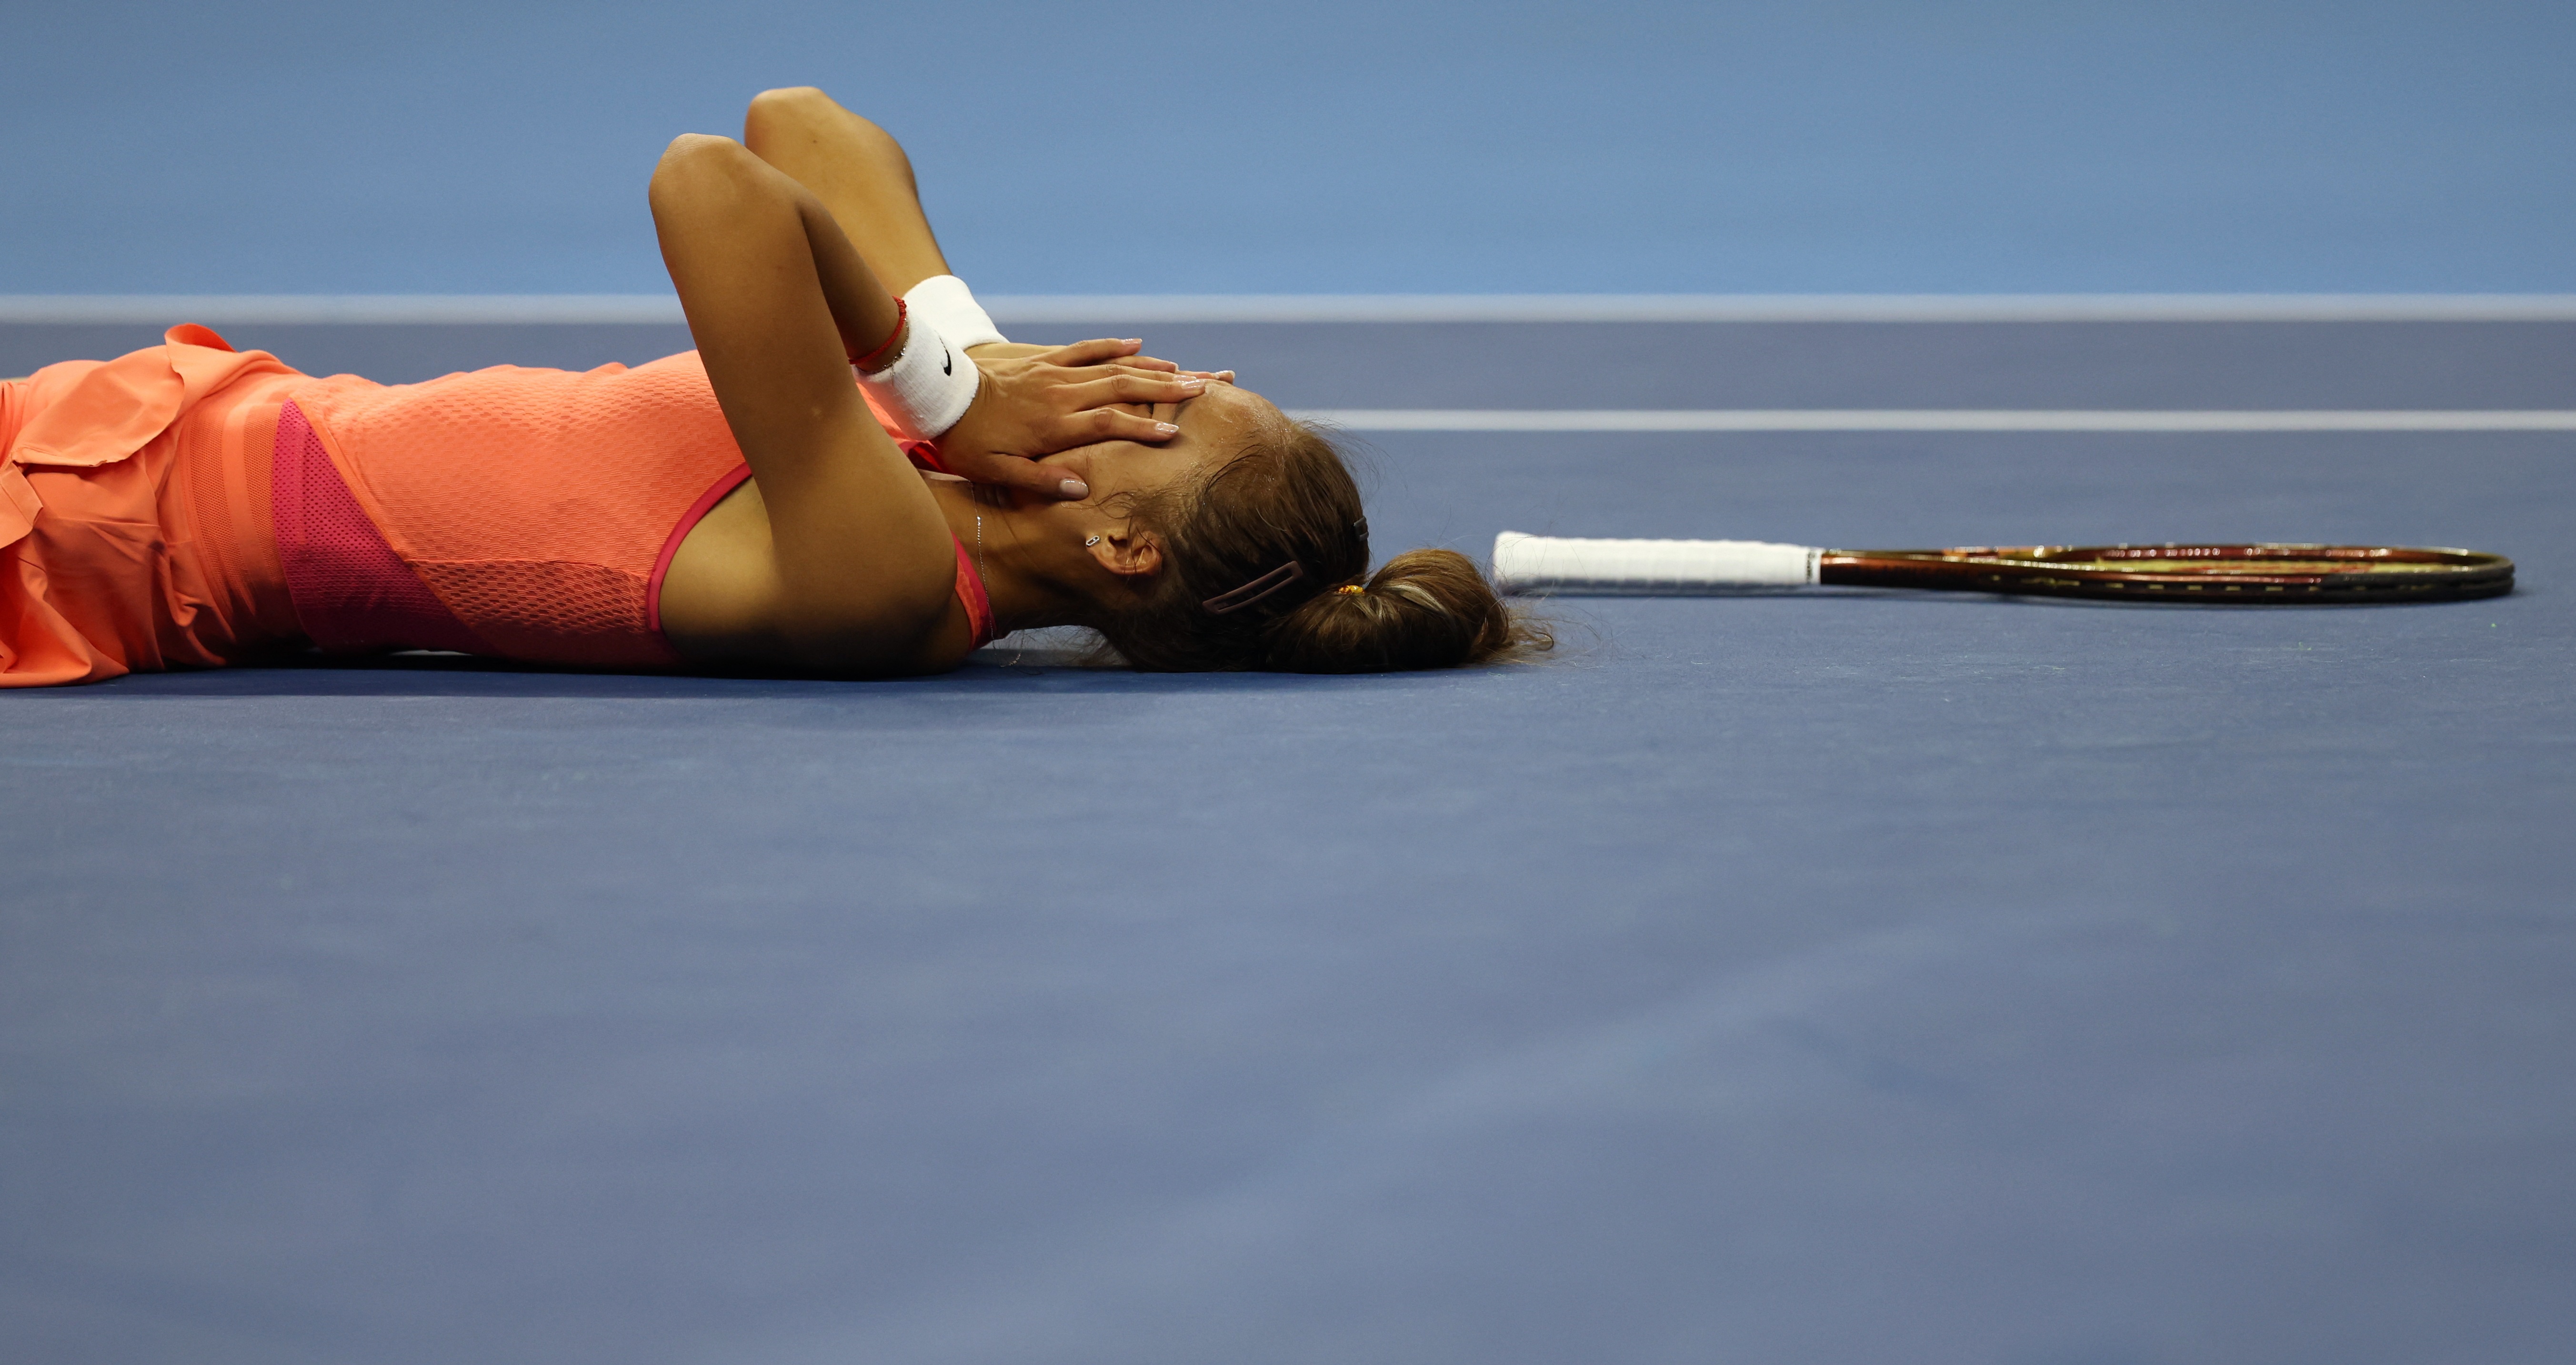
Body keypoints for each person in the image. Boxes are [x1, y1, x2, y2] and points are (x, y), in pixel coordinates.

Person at [0, 87, 1546, 688]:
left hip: (103, 539)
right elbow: (803, 123)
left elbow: (712, 182)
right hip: (154, 422)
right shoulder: (947, 436)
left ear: (1125, 545)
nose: (1155, 376)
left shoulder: (888, 574)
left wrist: (943, 383)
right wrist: (965, 362)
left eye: (1176, 414)